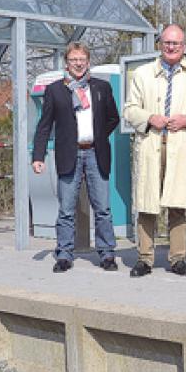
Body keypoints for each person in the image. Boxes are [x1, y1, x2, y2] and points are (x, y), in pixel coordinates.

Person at [123, 24, 186, 278]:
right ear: (160, 44)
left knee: (178, 204)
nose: (171, 47)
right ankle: (145, 258)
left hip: (179, 145)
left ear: (184, 46)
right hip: (151, 144)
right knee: (147, 204)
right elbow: (129, 109)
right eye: (167, 43)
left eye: (176, 43)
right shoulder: (142, 73)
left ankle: (178, 258)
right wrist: (150, 118)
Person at [32, 41, 120, 273]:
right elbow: (44, 125)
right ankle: (64, 254)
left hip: (96, 153)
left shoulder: (101, 88)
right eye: (74, 60)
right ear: (67, 63)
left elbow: (113, 118)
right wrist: (38, 156)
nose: (78, 64)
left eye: (82, 59)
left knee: (103, 208)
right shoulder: (55, 90)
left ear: (88, 62)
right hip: (69, 154)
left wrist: (98, 135)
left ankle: (107, 253)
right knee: (66, 209)